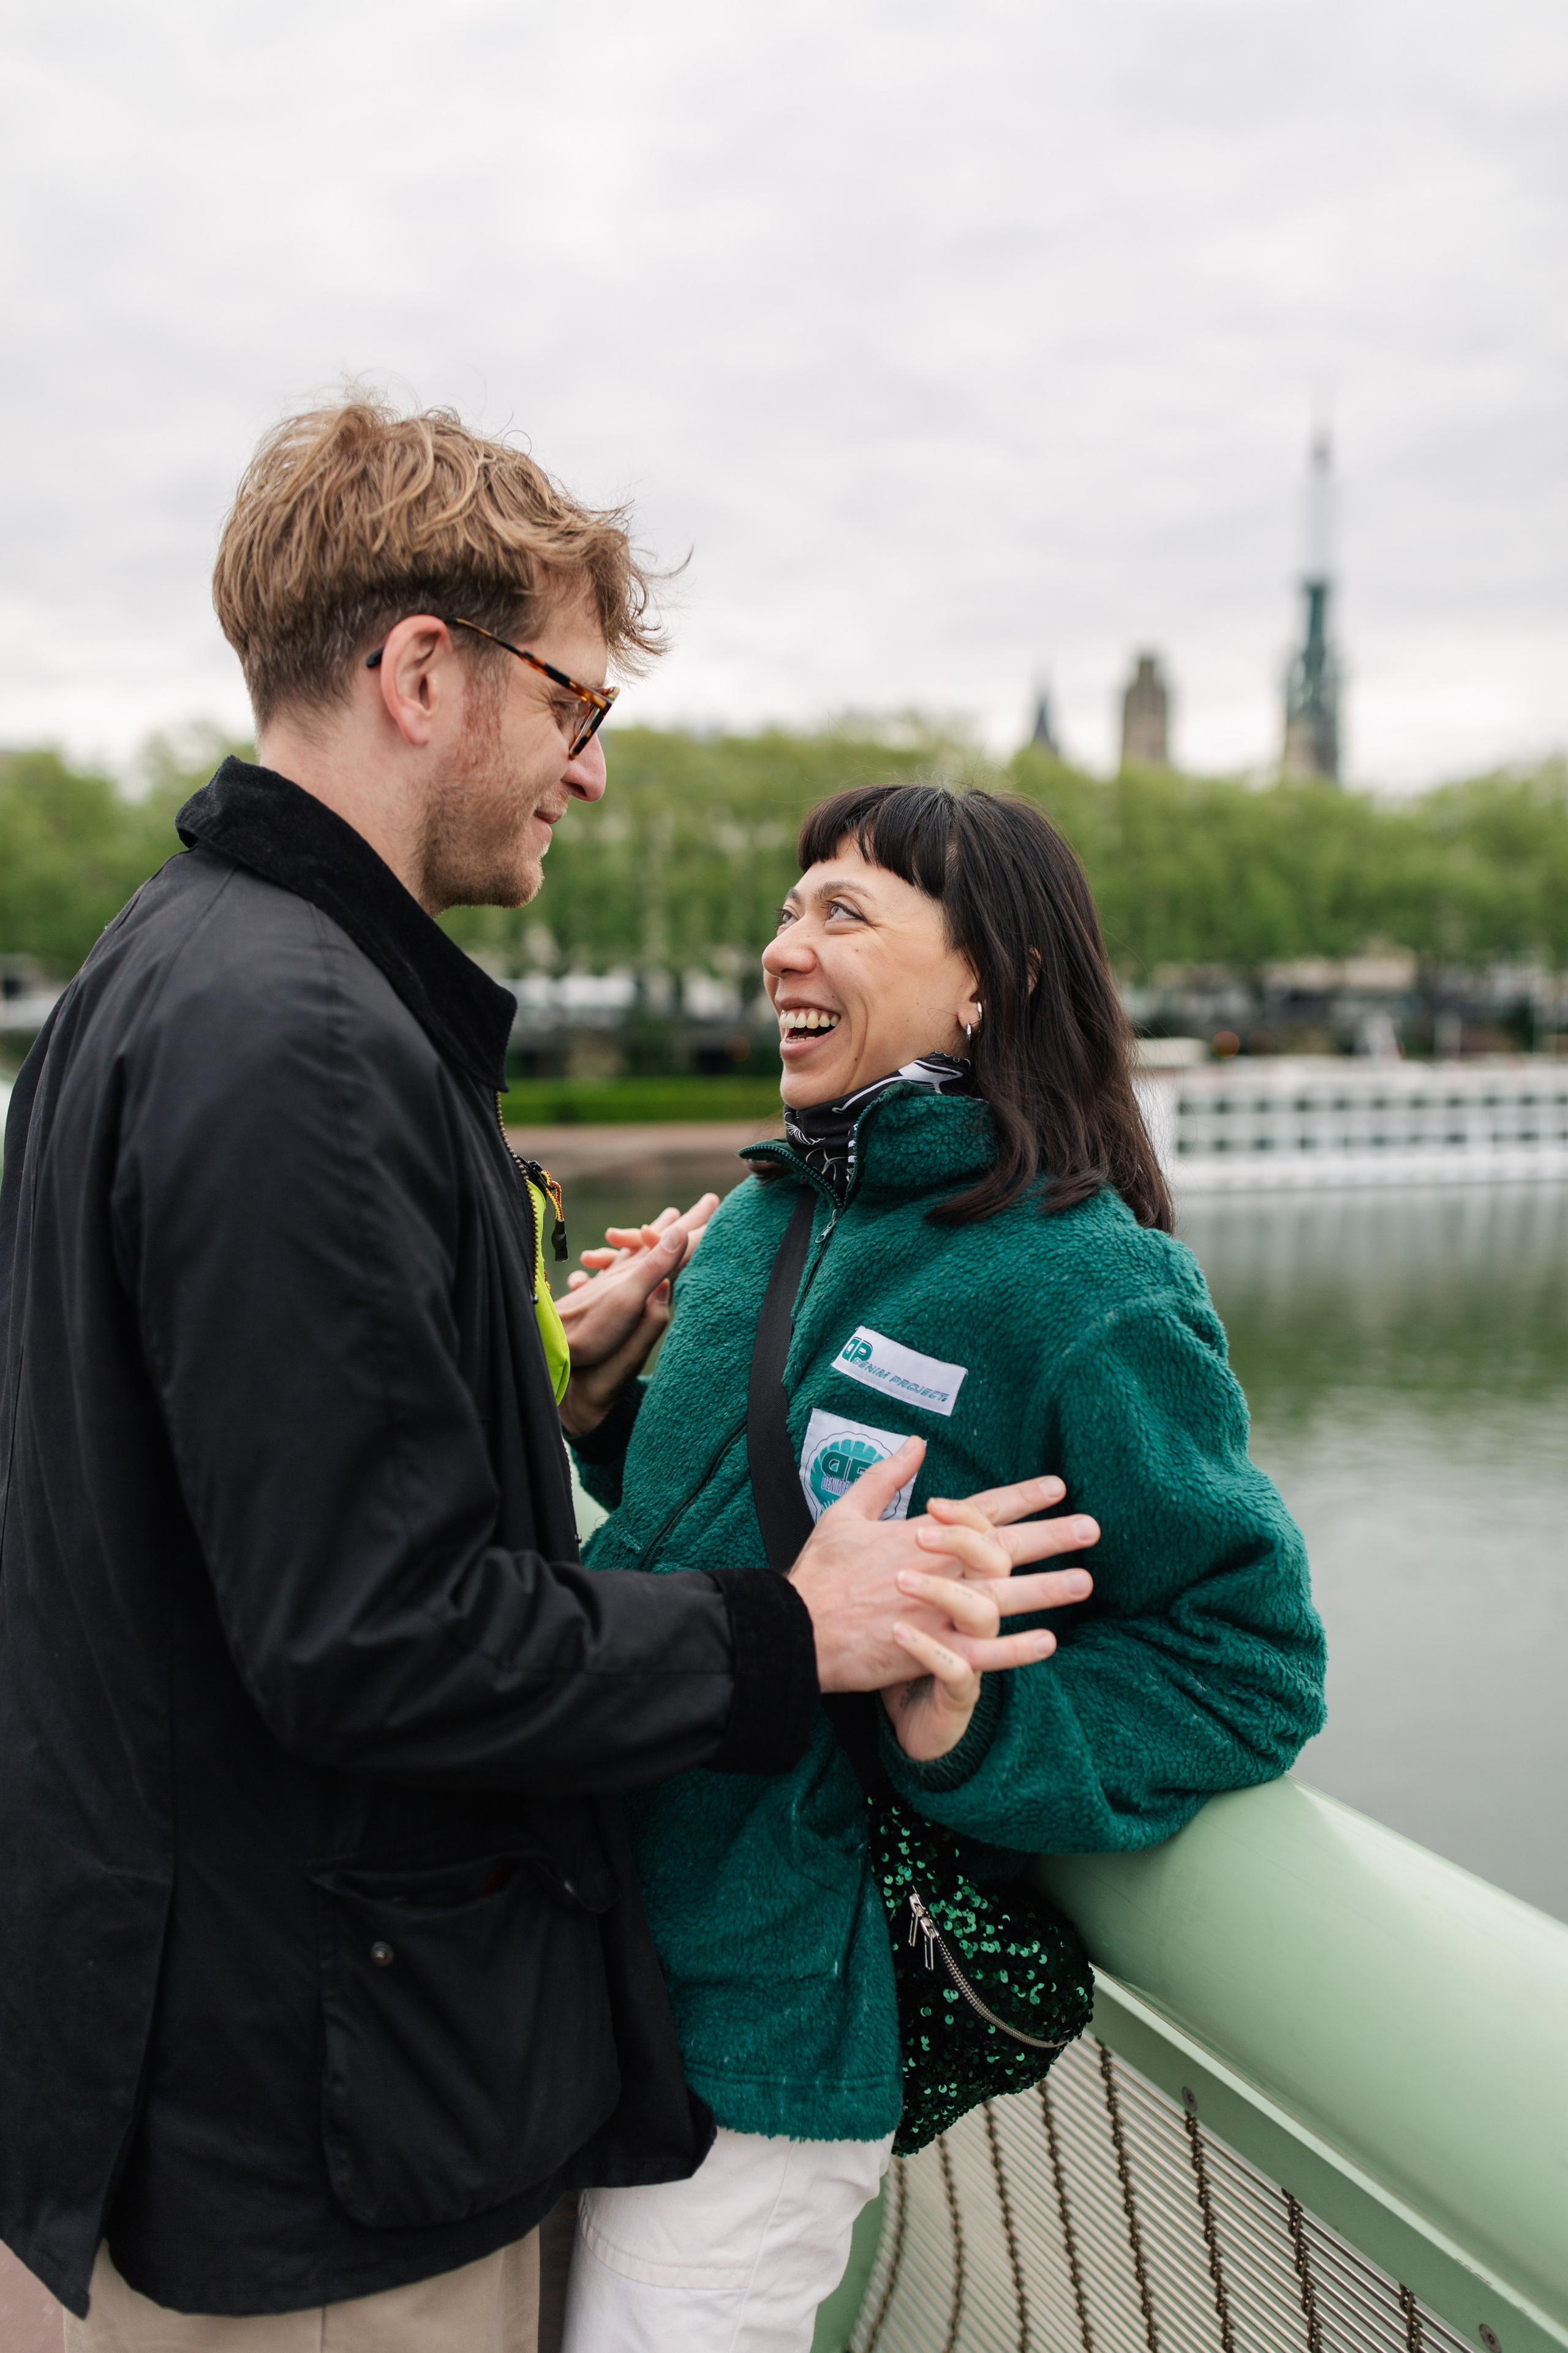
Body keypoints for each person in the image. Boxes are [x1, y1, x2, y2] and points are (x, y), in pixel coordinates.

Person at [0, 405, 1091, 2352]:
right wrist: (791, 1629)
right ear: (423, 671)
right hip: (327, 2124)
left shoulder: (150, 979)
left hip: (185, 2059)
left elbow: (202, 1493)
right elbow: (374, 1641)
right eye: (576, 701)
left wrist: (515, 1370)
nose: (589, 769)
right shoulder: (313, 1049)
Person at [557, 780, 1328, 2352]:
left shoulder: (1088, 1285)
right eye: (789, 905)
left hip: (765, 2039)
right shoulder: (768, 1214)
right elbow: (723, 1539)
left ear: (993, 981)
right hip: (581, 1954)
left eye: (843, 912)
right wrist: (598, 1412)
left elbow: (1250, 1662)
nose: (784, 945)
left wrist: (963, 1725)